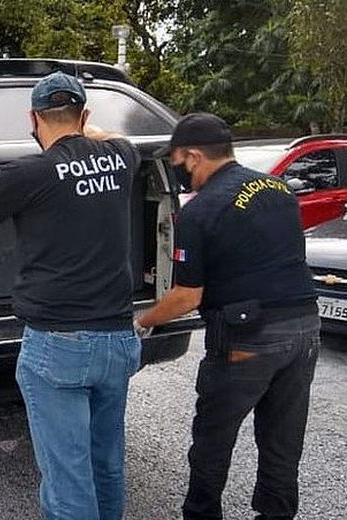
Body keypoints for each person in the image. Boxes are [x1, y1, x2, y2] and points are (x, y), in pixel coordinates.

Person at [0, 72, 142, 520]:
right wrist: (83, 133)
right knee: (106, 464)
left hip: (59, 346)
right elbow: (113, 137)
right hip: (118, 339)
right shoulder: (121, 157)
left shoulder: (27, 173)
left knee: (67, 478)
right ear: (85, 114)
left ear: (32, 119)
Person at [134, 113, 320, 520]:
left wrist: (143, 320)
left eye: (179, 161)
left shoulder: (200, 213)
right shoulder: (280, 189)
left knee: (212, 442)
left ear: (195, 156)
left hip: (246, 336)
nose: (178, 170)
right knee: (282, 444)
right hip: (305, 328)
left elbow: (186, 296)